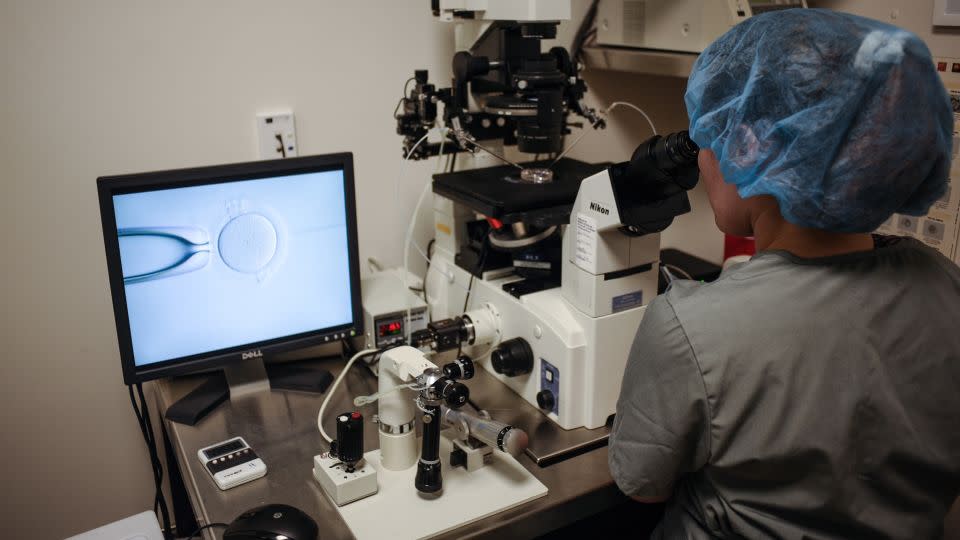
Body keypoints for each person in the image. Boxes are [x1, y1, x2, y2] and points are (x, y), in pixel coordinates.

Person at [608, 9, 959, 539]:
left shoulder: (692, 328)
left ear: (749, 147)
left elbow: (641, 486)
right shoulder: (945, 285)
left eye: (711, 134)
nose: (702, 157)